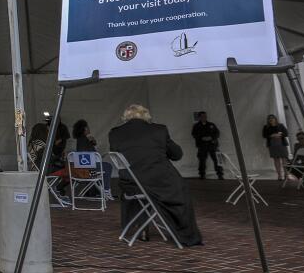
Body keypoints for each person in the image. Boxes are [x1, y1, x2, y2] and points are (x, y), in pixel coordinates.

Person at [108, 104, 202, 247]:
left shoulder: (115, 133)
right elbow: (177, 155)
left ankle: (143, 228)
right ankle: (185, 232)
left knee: (146, 187)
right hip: (158, 181)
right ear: (146, 116)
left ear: (126, 117)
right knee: (180, 188)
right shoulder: (159, 130)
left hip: (130, 183)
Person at [73, 119, 112, 198]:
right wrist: (97, 156)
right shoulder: (84, 140)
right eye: (88, 127)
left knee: (103, 167)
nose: (89, 128)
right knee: (107, 166)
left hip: (85, 167)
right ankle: (106, 190)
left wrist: (92, 143)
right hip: (88, 169)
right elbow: (85, 155)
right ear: (85, 128)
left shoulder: (81, 139)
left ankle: (99, 190)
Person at [191, 111, 224, 180]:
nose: (204, 117)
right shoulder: (196, 126)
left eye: (205, 116)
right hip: (202, 146)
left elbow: (217, 133)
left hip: (213, 145)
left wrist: (211, 137)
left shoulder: (211, 124)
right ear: (199, 117)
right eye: (202, 116)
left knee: (217, 160)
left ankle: (220, 175)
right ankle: (202, 175)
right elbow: (194, 134)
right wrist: (202, 138)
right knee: (202, 160)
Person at [263, 114, 290, 181]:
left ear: (275, 119)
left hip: (282, 144)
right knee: (276, 160)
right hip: (272, 145)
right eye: (269, 118)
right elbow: (264, 135)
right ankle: (279, 175)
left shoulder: (280, 125)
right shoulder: (266, 127)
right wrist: (272, 135)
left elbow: (286, 133)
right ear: (268, 120)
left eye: (272, 118)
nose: (271, 119)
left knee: (284, 160)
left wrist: (280, 135)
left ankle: (286, 175)